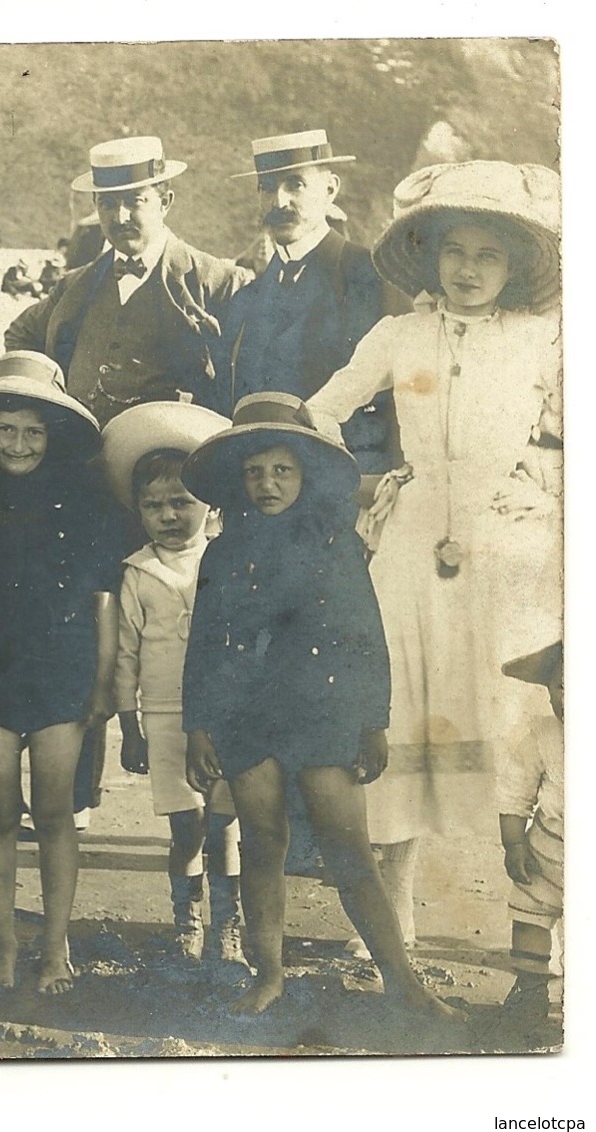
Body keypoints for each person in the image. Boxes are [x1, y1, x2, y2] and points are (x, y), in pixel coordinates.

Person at [306, 161, 562, 953]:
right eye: (456, 250)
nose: (469, 269)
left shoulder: (542, 338)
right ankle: (392, 926)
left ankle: (537, 936)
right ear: (431, 254)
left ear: (514, 265)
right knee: (400, 719)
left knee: (517, 729)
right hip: (410, 548)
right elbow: (322, 409)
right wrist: (366, 483)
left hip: (509, 551)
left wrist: (550, 490)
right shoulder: (399, 333)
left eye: (489, 254)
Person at [180, 392, 460, 1021]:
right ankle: (269, 974)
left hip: (321, 706)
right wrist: (198, 724)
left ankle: (402, 981)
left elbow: (366, 634)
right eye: (254, 472)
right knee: (262, 838)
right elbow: (204, 643)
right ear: (237, 480)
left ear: (304, 475)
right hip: (247, 712)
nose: (267, 483)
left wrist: (374, 721)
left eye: (281, 470)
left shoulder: (335, 544)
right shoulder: (223, 553)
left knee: (348, 845)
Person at [0, 352, 131, 995]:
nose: (19, 444)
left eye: (33, 431)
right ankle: (5, 950)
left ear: (55, 436)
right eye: (7, 430)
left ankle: (55, 950)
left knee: (54, 813)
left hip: (61, 672)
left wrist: (101, 679)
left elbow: (104, 599)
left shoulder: (87, 505)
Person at [101, 400, 242, 962]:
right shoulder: (136, 573)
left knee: (226, 824)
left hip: (226, 716)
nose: (168, 515)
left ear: (209, 506)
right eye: (154, 505)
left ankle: (228, 924)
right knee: (187, 826)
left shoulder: (227, 560)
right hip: (164, 716)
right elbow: (125, 656)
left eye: (181, 502)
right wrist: (130, 728)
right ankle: (188, 918)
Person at [6, 136, 250, 426]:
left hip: (166, 460)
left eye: (135, 201)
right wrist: (46, 406)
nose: (120, 217)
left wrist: (198, 429)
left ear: (165, 203)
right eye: (107, 204)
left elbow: (242, 380)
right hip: (79, 456)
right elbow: (20, 335)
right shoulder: (74, 285)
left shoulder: (221, 283)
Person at [219, 130, 411, 474]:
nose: (279, 202)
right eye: (267, 187)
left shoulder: (372, 278)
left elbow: (406, 403)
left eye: (295, 184)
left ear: (331, 188)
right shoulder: (246, 298)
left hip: (349, 485)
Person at [495, 638, 563, 1028]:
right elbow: (514, 791)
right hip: (546, 857)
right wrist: (513, 844)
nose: (570, 698)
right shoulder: (543, 735)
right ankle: (530, 991)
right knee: (529, 918)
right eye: (561, 687)